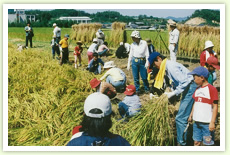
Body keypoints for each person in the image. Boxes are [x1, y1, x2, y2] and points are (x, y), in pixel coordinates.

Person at [148, 52, 197, 146]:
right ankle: (184, 139)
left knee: (180, 118)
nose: (155, 66)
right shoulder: (166, 67)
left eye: (154, 64)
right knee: (182, 116)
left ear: (159, 59)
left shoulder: (170, 66)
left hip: (190, 87)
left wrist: (173, 93)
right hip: (188, 87)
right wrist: (170, 91)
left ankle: (182, 144)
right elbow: (176, 82)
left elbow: (185, 81)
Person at [188, 66, 218, 146]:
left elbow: (215, 106)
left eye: (194, 78)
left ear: (202, 78)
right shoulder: (197, 89)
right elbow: (196, 103)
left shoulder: (212, 89)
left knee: (207, 144)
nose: (193, 80)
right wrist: (191, 115)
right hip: (196, 122)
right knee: (196, 142)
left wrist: (212, 122)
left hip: (206, 124)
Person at [127, 30, 150, 95]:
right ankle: (137, 90)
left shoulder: (144, 43)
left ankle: (146, 88)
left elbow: (147, 53)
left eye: (133, 37)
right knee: (136, 78)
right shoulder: (132, 45)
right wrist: (129, 63)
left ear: (137, 37)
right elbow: (130, 54)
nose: (132, 39)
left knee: (144, 77)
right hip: (135, 61)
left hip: (142, 61)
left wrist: (147, 62)